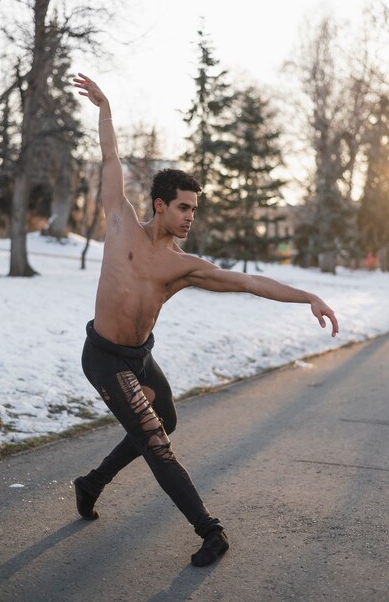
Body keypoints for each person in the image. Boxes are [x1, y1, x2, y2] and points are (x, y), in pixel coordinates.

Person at [72, 72, 339, 568]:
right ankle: (209, 530)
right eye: (184, 207)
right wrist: (105, 107)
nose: (191, 216)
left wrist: (307, 296)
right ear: (160, 205)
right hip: (103, 357)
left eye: (195, 208)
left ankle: (91, 484)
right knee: (155, 439)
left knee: (166, 418)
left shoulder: (184, 265)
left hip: (138, 356)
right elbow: (110, 158)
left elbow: (248, 283)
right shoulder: (119, 221)